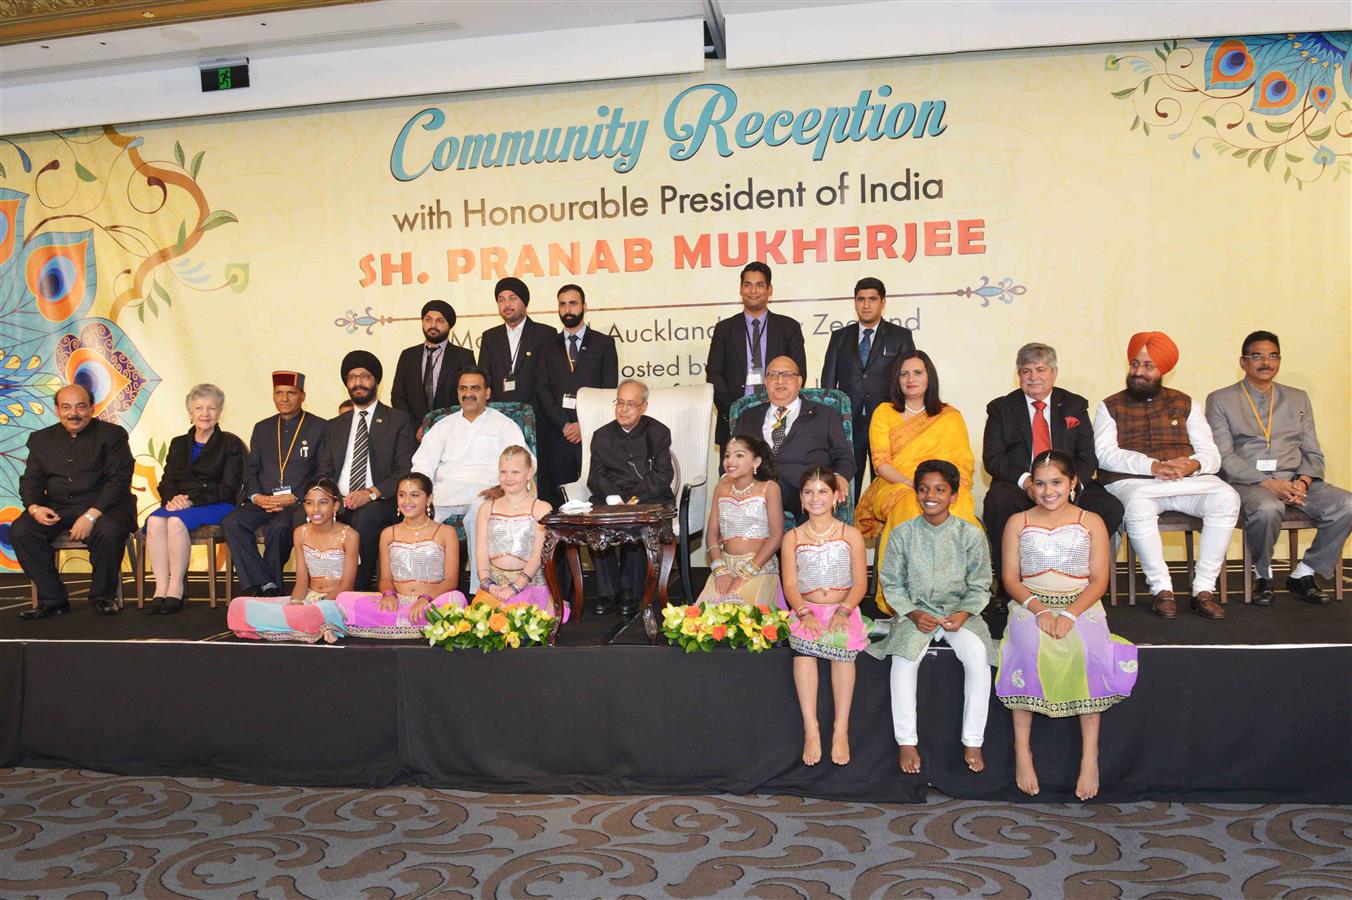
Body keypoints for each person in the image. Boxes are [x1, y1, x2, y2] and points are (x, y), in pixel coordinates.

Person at [995, 450, 1138, 801]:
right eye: (1040, 483)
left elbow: (1099, 580)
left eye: (1056, 482)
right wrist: (1040, 610)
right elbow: (1010, 579)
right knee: (1028, 651)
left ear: (1073, 483)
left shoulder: (1092, 521)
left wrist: (1071, 614)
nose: (1048, 491)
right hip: (1031, 603)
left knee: (1087, 652)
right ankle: (1022, 752)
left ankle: (1090, 757)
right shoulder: (1018, 522)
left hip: (1081, 603)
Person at [1093, 332, 1240, 620]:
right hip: (1136, 481)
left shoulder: (1186, 403)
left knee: (1226, 497)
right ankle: (1162, 589)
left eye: (1148, 366)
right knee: (1136, 504)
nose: (1139, 372)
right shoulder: (1109, 405)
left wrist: (1191, 465)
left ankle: (1203, 590)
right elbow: (1106, 454)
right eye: (1135, 364)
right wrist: (1153, 466)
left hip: (1185, 480)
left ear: (1163, 370)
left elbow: (1211, 453)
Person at [868, 460, 996, 775]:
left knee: (978, 655)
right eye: (924, 489)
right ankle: (907, 741)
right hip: (915, 615)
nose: (930, 495)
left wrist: (964, 612)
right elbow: (892, 584)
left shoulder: (970, 534)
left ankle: (973, 739)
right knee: (903, 662)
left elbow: (981, 585)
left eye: (940, 490)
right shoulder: (901, 534)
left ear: (954, 495)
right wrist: (912, 612)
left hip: (960, 614)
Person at [1206, 330, 1351, 605]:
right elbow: (1223, 455)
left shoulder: (1298, 398)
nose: (1265, 362)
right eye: (1257, 355)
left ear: (1279, 361)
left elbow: (1312, 450)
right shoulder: (1221, 399)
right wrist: (1270, 484)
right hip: (1247, 483)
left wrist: (1303, 483)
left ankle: (1305, 572)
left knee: (1346, 504)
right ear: (1243, 362)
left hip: (1295, 480)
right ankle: (1263, 574)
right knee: (1267, 508)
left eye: (1273, 355)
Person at [981, 343, 1123, 595]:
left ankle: (1078, 579)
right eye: (1026, 371)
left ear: (1054, 373)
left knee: (1110, 506)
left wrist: (1068, 485)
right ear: (1018, 375)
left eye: (1040, 369)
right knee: (998, 500)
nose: (1033, 377)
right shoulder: (1001, 409)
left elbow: (1087, 456)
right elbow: (993, 458)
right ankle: (1009, 587)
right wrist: (1028, 482)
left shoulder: (1073, 405)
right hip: (1021, 485)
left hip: (1067, 483)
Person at [855, 351, 979, 609]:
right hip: (896, 485)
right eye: (904, 373)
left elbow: (961, 463)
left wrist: (935, 488)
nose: (911, 379)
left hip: (944, 486)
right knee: (912, 506)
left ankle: (960, 596)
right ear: (897, 380)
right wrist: (914, 485)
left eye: (917, 372)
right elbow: (881, 464)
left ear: (928, 377)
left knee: (961, 505)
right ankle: (906, 599)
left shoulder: (949, 416)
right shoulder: (884, 412)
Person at [15, 384, 137, 619]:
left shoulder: (112, 435)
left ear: (92, 408)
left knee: (109, 530)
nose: (74, 413)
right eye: (66, 407)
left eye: (81, 407)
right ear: (57, 410)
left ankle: (103, 597)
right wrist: (35, 508)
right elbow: (30, 482)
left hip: (105, 506)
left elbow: (118, 480)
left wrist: (91, 515)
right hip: (58, 507)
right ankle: (53, 599)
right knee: (22, 531)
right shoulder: (40, 439)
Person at [783, 466, 869, 767]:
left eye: (822, 491)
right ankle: (811, 728)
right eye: (809, 492)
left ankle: (840, 729)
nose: (815, 497)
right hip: (806, 609)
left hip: (842, 606)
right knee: (804, 650)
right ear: (802, 499)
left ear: (835, 497)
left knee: (842, 649)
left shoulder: (851, 535)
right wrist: (804, 613)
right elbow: (790, 585)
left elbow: (860, 583)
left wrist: (843, 610)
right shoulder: (792, 537)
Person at [411, 366, 525, 588]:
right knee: (421, 516)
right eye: (463, 388)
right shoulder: (442, 426)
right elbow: (422, 463)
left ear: (488, 393)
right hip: (444, 493)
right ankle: (423, 585)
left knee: (477, 516)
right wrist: (423, 493)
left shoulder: (504, 425)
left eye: (475, 388)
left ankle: (479, 589)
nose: (468, 393)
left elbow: (522, 460)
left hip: (484, 493)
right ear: (457, 392)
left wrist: (502, 488)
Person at [317, 351, 417, 591]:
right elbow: (324, 469)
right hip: (338, 499)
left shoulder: (398, 420)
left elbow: (404, 471)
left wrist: (370, 493)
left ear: (376, 382)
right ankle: (314, 586)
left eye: (365, 376)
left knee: (365, 518)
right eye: (352, 377)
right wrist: (332, 498)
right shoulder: (334, 425)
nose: (358, 382)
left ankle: (354, 590)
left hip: (380, 500)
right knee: (302, 516)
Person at [222, 371, 327, 598]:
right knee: (231, 522)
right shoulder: (262, 428)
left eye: (291, 393)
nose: (285, 398)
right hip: (264, 499)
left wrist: (298, 496)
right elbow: (251, 469)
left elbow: (323, 470)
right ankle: (267, 582)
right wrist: (256, 496)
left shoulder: (319, 427)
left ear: (302, 396)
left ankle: (266, 586)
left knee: (279, 528)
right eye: (279, 393)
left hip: (298, 502)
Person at [144, 384, 246, 614]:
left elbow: (228, 487)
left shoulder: (230, 443)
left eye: (211, 408)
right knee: (154, 521)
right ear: (190, 412)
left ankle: (176, 589)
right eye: (199, 407)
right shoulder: (179, 443)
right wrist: (173, 499)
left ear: (219, 412)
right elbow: (166, 481)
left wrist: (190, 501)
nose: (205, 413)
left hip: (215, 503)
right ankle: (160, 590)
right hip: (180, 502)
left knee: (175, 522)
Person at [335, 472, 466, 638]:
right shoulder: (388, 533)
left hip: (431, 602)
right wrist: (389, 595)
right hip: (398, 602)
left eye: (415, 495)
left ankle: (394, 623)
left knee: (456, 599)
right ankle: (417, 623)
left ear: (429, 499)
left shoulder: (446, 532)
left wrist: (424, 599)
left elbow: (450, 581)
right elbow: (385, 580)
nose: (407, 501)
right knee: (344, 599)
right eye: (402, 495)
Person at [226, 478, 356, 643]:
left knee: (317, 611)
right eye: (309, 503)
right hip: (310, 598)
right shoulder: (300, 533)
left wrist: (318, 604)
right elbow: (302, 582)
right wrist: (295, 603)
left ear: (335, 506)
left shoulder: (349, 535)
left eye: (323, 503)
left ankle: (307, 622)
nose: (315, 509)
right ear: (304, 506)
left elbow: (347, 586)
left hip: (337, 601)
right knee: (238, 605)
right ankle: (308, 623)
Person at [586, 379, 675, 617]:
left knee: (637, 522)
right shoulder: (602, 435)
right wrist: (613, 497)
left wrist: (634, 498)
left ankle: (629, 591)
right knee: (596, 525)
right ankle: (607, 591)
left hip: (648, 494)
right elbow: (595, 476)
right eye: (620, 403)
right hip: (611, 495)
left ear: (643, 407)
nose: (623, 409)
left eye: (630, 404)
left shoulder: (658, 432)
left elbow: (664, 474)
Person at [820, 277, 916, 494]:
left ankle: (881, 528)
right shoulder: (839, 337)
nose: (866, 305)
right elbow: (828, 384)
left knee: (883, 483)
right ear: (854, 302)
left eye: (872, 299)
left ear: (882, 302)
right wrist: (828, 421)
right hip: (847, 424)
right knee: (846, 483)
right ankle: (848, 526)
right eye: (861, 299)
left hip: (886, 423)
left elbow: (909, 380)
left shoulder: (900, 336)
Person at [731, 356, 854, 519]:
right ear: (765, 382)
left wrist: (837, 477)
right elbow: (730, 457)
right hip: (756, 489)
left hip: (804, 489)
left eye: (788, 375)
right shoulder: (748, 416)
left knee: (813, 500)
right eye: (773, 375)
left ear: (800, 381)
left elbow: (845, 457)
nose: (780, 380)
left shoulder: (825, 414)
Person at [706, 262, 807, 448]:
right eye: (747, 285)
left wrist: (778, 408)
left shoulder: (788, 328)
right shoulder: (725, 329)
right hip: (734, 420)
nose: (753, 291)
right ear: (741, 289)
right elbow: (714, 374)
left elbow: (798, 373)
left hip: (779, 419)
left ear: (769, 290)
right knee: (733, 476)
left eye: (759, 285)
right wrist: (736, 411)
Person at [536, 283, 619, 503]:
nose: (567, 309)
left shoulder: (604, 343)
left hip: (592, 435)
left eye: (573, 303)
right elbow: (542, 390)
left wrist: (584, 425)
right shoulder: (546, 346)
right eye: (562, 304)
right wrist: (564, 424)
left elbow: (609, 389)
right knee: (561, 500)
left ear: (584, 306)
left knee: (594, 498)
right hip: (558, 435)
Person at [470, 446, 562, 619]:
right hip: (495, 587)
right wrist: (488, 584)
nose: (508, 478)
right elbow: (481, 551)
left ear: (529, 473)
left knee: (519, 624)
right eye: (503, 472)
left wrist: (516, 587)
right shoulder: (487, 508)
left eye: (515, 472)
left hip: (529, 585)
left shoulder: (541, 508)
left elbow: (538, 553)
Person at [697, 434, 785, 608]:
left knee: (744, 622)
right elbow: (712, 533)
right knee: (704, 622)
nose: (730, 460)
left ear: (756, 462)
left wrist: (747, 573)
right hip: (725, 567)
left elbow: (776, 536)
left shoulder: (769, 488)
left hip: (759, 567)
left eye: (739, 455)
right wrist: (720, 570)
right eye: (727, 455)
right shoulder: (720, 488)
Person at [390, 299, 476, 434]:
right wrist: (416, 427)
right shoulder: (408, 356)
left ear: (449, 325)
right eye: (428, 320)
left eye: (440, 321)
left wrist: (445, 427)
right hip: (414, 435)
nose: (433, 325)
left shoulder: (464, 357)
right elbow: (398, 397)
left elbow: (469, 397)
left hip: (453, 432)